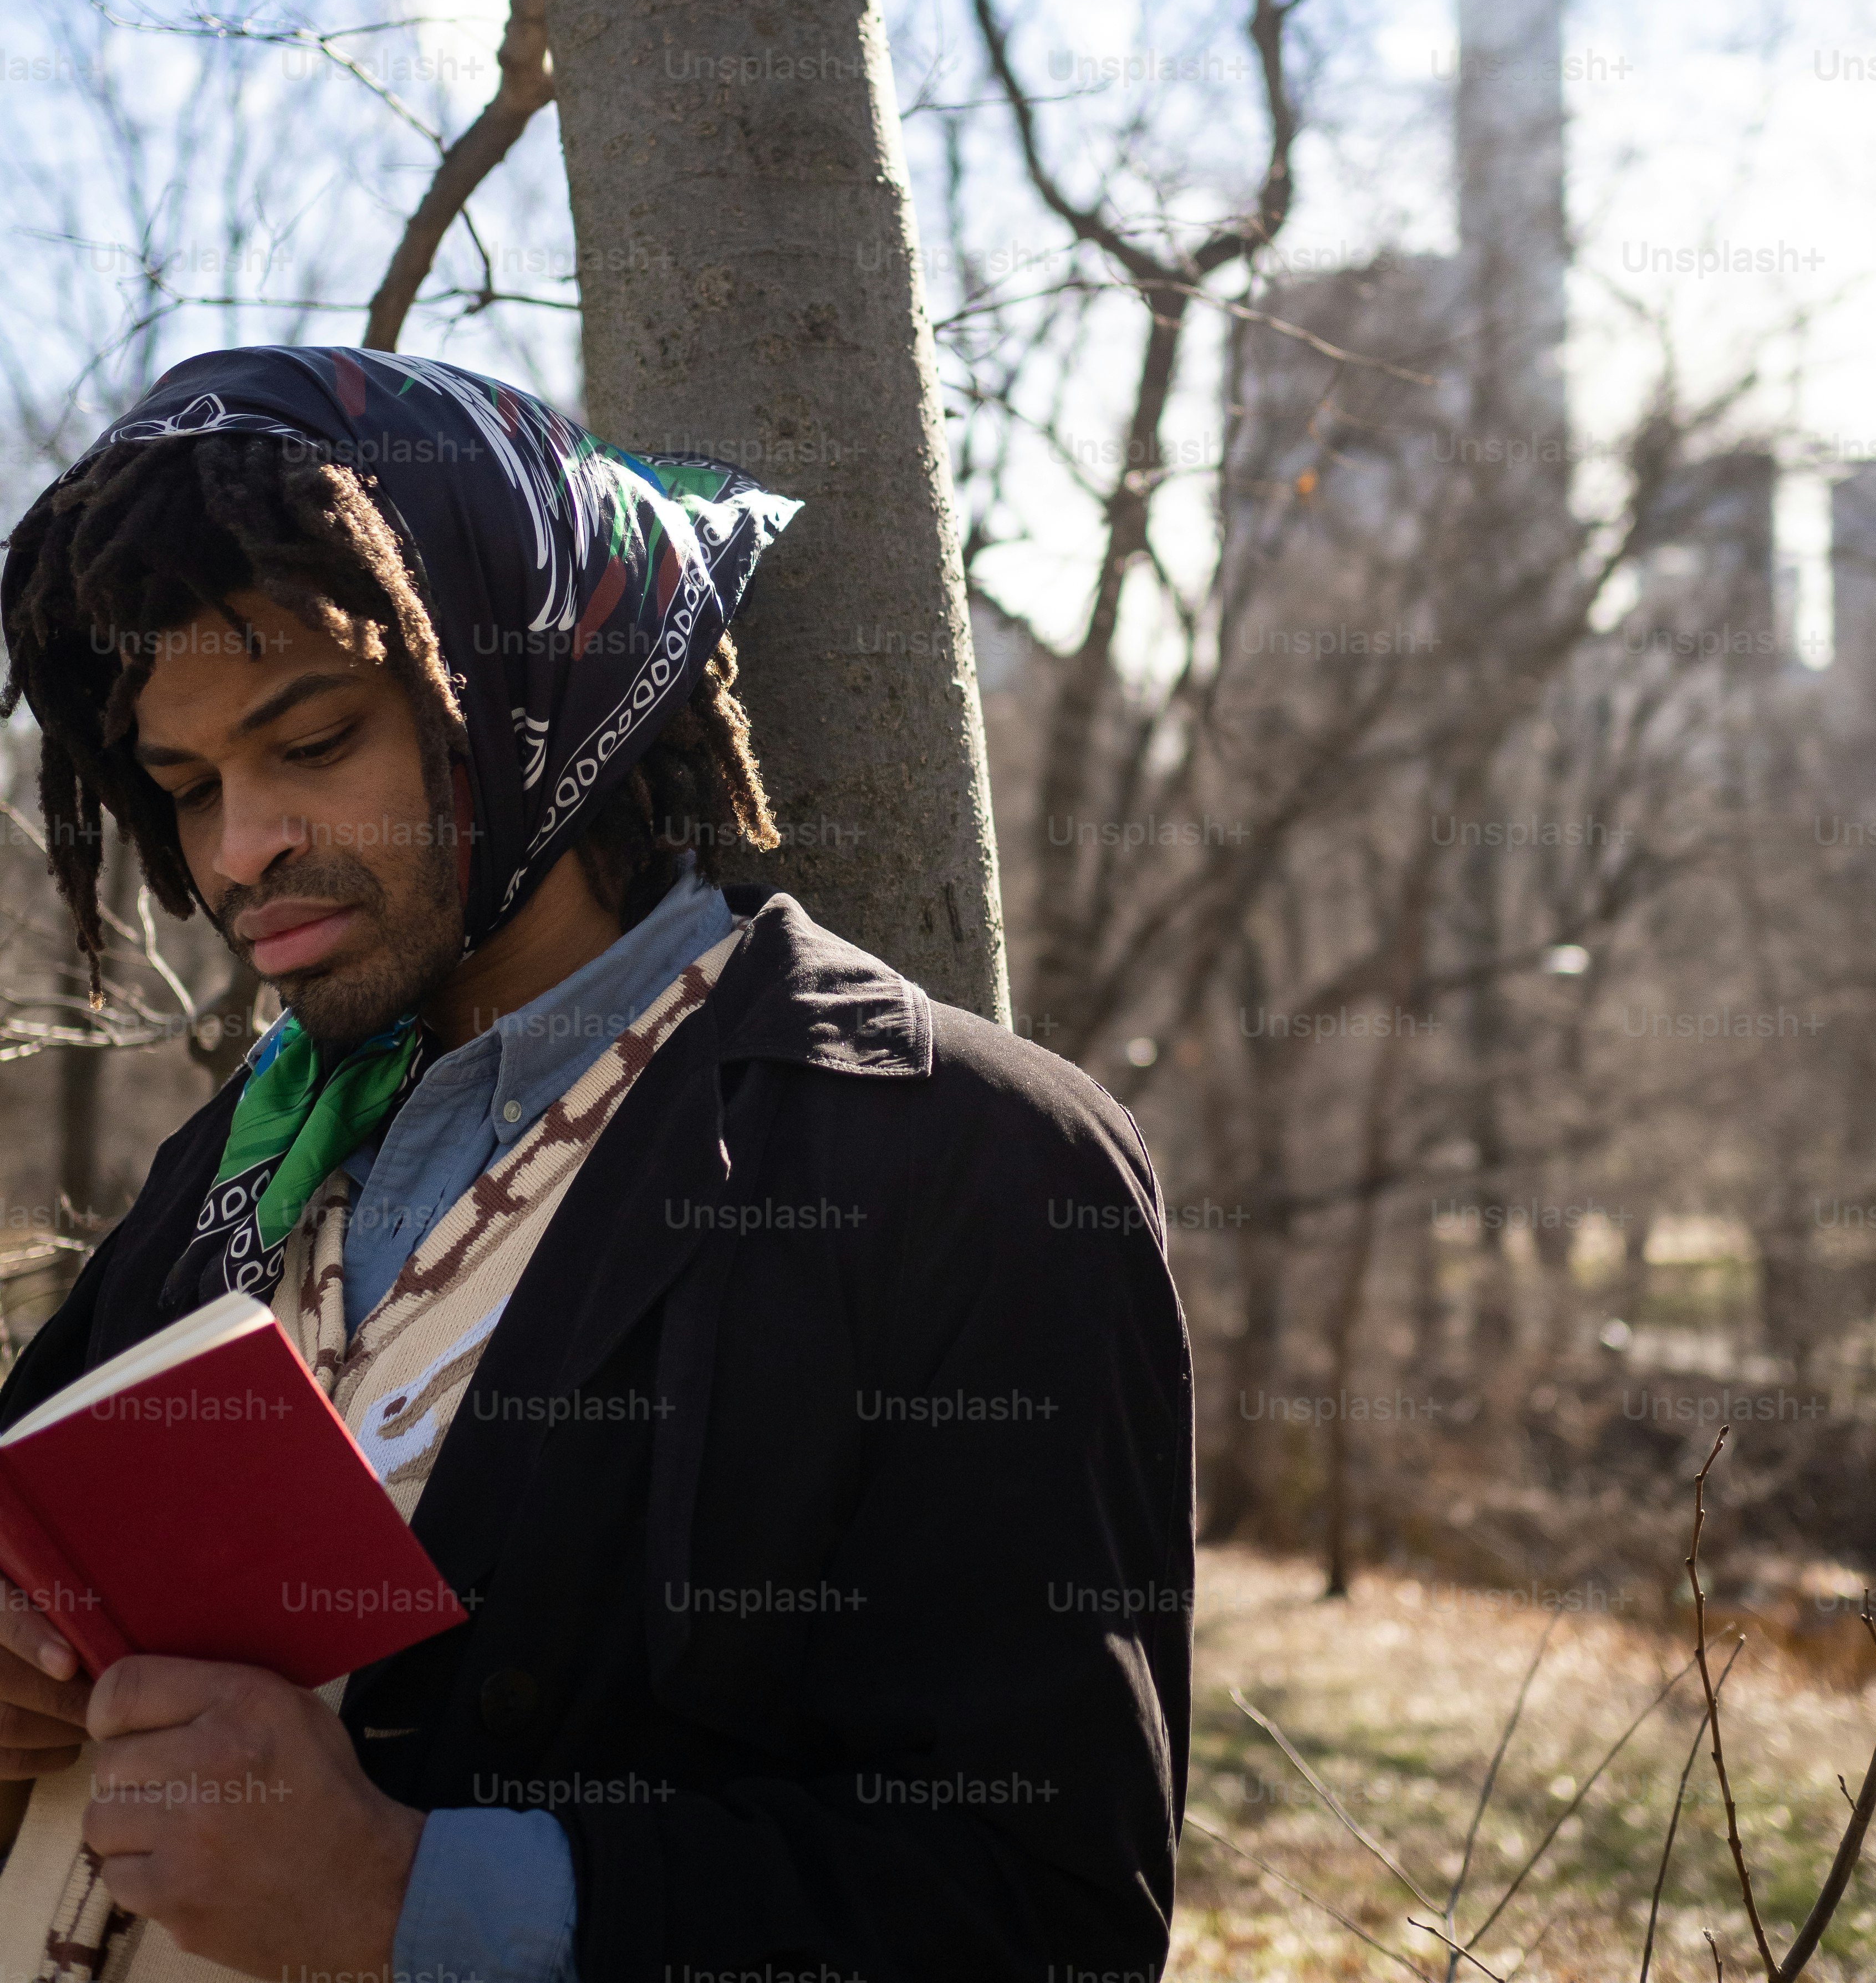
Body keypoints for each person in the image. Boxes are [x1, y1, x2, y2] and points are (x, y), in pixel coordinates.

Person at [0, 345, 1194, 1983]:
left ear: (518, 695)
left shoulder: (962, 1164)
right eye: (189, 785)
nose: (237, 849)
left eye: (314, 738)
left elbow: (1038, 1918)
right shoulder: (240, 1156)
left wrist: (399, 1894)